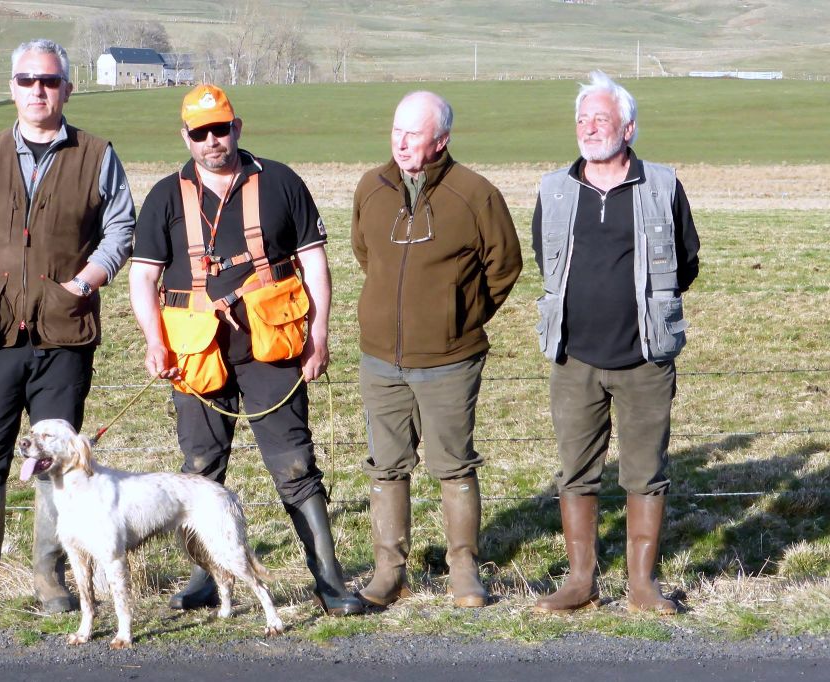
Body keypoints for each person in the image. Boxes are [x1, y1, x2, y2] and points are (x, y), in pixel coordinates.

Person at [128, 84, 363, 617]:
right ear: (185, 135)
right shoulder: (166, 195)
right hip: (194, 351)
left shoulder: (281, 181)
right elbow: (143, 279)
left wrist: (320, 335)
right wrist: (154, 342)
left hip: (273, 347)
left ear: (238, 126)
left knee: (296, 467)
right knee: (200, 471)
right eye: (200, 132)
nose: (213, 140)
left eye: (221, 128)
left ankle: (329, 582)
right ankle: (206, 580)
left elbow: (316, 267)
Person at [0, 39, 135, 612]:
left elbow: (121, 227)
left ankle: (51, 574)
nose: (38, 90)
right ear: (13, 88)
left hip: (64, 334)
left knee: (60, 459)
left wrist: (84, 283)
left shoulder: (96, 154)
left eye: (48, 81)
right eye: (27, 80)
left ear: (67, 89)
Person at [531, 71, 700, 615]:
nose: (589, 128)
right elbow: (545, 258)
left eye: (600, 118)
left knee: (644, 471)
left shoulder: (664, 186)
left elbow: (685, 262)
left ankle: (641, 588)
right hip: (574, 357)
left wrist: (648, 311)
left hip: (645, 358)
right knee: (575, 472)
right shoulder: (554, 188)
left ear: (628, 127)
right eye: (582, 119)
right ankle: (581, 581)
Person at [351, 91, 523, 608]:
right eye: (396, 131)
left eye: (414, 134)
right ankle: (389, 570)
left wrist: (457, 316)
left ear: (441, 140)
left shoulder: (476, 195)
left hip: (450, 360)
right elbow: (366, 254)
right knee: (386, 465)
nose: (401, 143)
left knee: (453, 464)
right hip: (380, 358)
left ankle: (464, 569)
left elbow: (505, 265)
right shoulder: (371, 188)